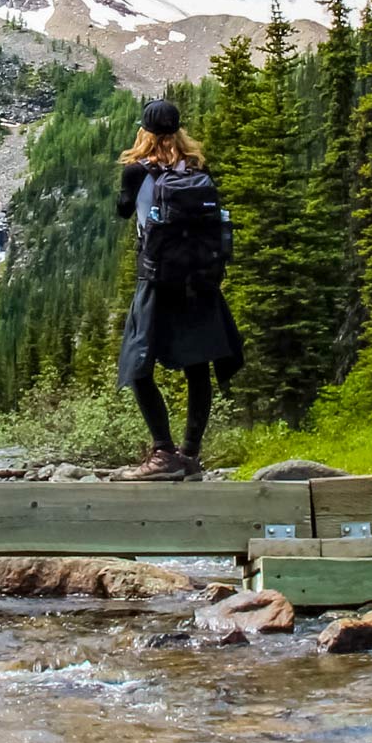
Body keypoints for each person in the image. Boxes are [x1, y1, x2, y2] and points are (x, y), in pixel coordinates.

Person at [111, 98, 242, 481]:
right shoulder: (199, 167)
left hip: (157, 279)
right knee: (198, 366)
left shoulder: (137, 172)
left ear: (144, 132)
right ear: (179, 130)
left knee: (138, 365)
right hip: (199, 282)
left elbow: (122, 211)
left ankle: (162, 450)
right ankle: (190, 455)